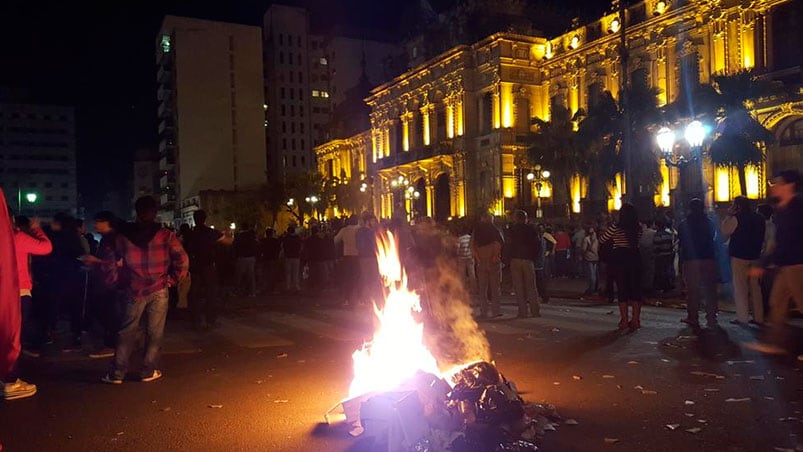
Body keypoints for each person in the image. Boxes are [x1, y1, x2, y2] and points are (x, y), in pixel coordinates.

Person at [101, 196, 189, 384]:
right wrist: (172, 279)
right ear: (155, 213)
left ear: (137, 212)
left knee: (126, 331)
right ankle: (148, 371)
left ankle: (117, 373)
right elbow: (182, 260)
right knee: (154, 332)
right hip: (159, 288)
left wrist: (115, 282)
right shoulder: (166, 235)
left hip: (133, 289)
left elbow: (110, 261)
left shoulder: (123, 236)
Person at [746, 170, 803, 360]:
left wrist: (764, 262)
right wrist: (765, 262)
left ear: (789, 185)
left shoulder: (798, 208)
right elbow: (779, 242)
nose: (774, 187)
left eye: (778, 183)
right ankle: (776, 343)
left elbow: (789, 241)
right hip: (785, 264)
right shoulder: (781, 210)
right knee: (776, 303)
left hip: (797, 265)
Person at [721, 196, 766, 326]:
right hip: (756, 256)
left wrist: (729, 215)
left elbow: (725, 230)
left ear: (737, 206)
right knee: (755, 287)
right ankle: (759, 317)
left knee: (740, 287)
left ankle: (742, 317)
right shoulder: (759, 218)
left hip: (739, 256)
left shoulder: (736, 218)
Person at [82, 211, 121, 359]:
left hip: (110, 282)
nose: (96, 224)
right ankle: (111, 343)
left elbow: (115, 262)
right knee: (105, 313)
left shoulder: (113, 239)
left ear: (107, 222)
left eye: (99, 221)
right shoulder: (107, 239)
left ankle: (111, 345)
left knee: (109, 314)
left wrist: (95, 261)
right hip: (105, 281)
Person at [184, 210, 231, 330]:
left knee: (194, 294)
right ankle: (210, 319)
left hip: (194, 267)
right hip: (208, 266)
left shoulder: (190, 233)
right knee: (211, 293)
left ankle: (196, 319)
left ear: (194, 219)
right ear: (205, 219)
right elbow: (228, 242)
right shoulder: (210, 232)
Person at [14, 217, 53, 359]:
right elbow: (46, 247)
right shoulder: (17, 237)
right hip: (20, 289)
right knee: (23, 322)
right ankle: (10, 372)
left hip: (7, 288)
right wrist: (37, 229)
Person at [677, 198, 719, 331]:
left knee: (692, 290)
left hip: (691, 260)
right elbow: (714, 237)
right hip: (708, 257)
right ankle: (711, 317)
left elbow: (681, 241)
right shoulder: (709, 223)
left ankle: (693, 316)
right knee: (709, 289)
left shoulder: (684, 224)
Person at [600, 203, 642, 330]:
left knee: (622, 288)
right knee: (636, 289)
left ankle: (624, 320)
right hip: (635, 257)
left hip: (620, 258)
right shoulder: (638, 228)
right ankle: (635, 320)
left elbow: (602, 239)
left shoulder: (616, 227)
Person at [506, 211, 541, 318]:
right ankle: (535, 311)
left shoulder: (511, 230)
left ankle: (522, 311)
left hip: (515, 260)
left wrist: (508, 259)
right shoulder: (531, 230)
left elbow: (507, 245)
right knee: (531, 286)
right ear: (525, 218)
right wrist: (533, 257)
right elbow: (537, 245)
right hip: (527, 260)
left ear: (516, 218)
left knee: (519, 287)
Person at [471, 212, 504, 318]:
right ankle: (496, 310)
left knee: (482, 288)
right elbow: (499, 243)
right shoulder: (495, 230)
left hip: (482, 261)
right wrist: (495, 256)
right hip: (493, 261)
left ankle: (483, 311)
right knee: (495, 287)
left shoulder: (477, 231)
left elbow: (472, 245)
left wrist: (478, 258)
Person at [334, 215, 362, 305]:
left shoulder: (344, 230)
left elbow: (335, 240)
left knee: (348, 278)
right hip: (358, 256)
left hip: (347, 256)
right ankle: (359, 299)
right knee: (358, 278)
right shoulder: (359, 229)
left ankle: (347, 299)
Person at [756, 203, 775, 318]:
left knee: (765, 287)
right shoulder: (771, 226)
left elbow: (769, 246)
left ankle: (766, 311)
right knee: (764, 286)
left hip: (767, 261)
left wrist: (764, 258)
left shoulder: (768, 227)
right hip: (768, 260)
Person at [233, 222, 259, 297]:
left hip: (242, 257)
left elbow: (235, 247)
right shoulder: (252, 236)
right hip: (251, 257)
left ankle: (237, 291)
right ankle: (252, 292)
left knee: (239, 276)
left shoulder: (239, 236)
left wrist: (235, 256)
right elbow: (256, 246)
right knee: (251, 275)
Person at [653, 218, 676, 292]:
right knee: (667, 270)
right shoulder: (668, 234)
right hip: (669, 254)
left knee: (661, 272)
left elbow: (656, 247)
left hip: (660, 256)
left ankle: (662, 286)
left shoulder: (657, 235)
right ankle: (668, 285)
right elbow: (671, 245)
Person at [281, 225, 303, 293]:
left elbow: (283, 246)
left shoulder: (286, 238)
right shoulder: (297, 238)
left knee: (288, 273)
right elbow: (301, 246)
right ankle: (296, 286)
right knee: (295, 273)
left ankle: (288, 286)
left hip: (288, 257)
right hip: (296, 257)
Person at [259, 228, 281, 294]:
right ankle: (271, 288)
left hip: (265, 258)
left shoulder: (263, 240)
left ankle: (264, 287)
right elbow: (278, 249)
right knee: (272, 274)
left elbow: (260, 249)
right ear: (272, 234)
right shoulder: (275, 241)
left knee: (265, 274)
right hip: (273, 259)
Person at [456, 227, 476, 294]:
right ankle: (474, 289)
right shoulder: (471, 238)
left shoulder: (460, 239)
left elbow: (457, 249)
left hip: (462, 258)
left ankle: (463, 290)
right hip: (470, 257)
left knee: (462, 274)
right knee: (472, 274)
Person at [638, 221, 656, 293]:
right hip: (650, 252)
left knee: (643, 269)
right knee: (650, 270)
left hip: (642, 252)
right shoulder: (653, 232)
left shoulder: (642, 232)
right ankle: (649, 286)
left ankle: (643, 285)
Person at [534, 224, 550, 304]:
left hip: (537, 263)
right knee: (539, 281)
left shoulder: (538, 240)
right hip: (540, 262)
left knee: (538, 281)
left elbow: (537, 252)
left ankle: (544, 296)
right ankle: (544, 296)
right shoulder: (542, 240)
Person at [582, 226, 600, 295]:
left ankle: (591, 288)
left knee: (591, 274)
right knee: (595, 273)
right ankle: (595, 287)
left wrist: (583, 253)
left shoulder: (586, 239)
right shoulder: (596, 239)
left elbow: (584, 249)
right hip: (596, 257)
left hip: (589, 257)